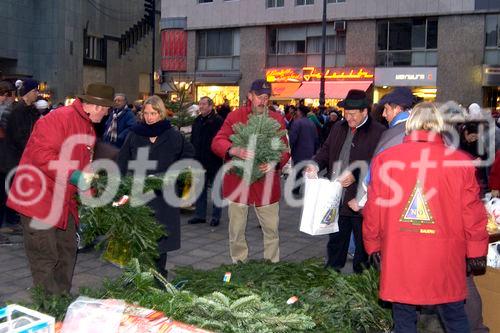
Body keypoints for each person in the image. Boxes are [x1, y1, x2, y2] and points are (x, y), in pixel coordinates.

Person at [363, 102, 489, 333]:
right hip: (445, 256)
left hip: (402, 253)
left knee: (403, 318)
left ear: (410, 124)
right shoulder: (460, 162)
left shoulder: (386, 160)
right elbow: (472, 213)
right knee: (454, 316)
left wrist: (373, 245)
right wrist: (476, 251)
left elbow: (374, 210)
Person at [6, 83, 115, 295]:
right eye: (106, 108)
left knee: (67, 252)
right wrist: (75, 176)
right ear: (94, 105)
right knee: (45, 257)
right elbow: (42, 155)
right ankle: (50, 309)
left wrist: (95, 198)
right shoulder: (59, 118)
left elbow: (84, 171)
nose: (108, 113)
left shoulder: (88, 128)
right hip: (39, 200)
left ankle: (61, 301)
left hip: (64, 201)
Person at [305, 89, 385, 273]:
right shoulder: (338, 128)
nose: (348, 118)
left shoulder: (379, 132)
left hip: (360, 198)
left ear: (365, 111)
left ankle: (361, 280)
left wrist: (356, 174)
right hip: (336, 197)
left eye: (352, 114)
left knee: (363, 244)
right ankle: (332, 275)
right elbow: (325, 150)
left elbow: (379, 163)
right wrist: (315, 165)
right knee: (336, 240)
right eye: (345, 113)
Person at [211, 79, 290, 263]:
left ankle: (271, 265)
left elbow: (284, 149)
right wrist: (233, 150)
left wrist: (274, 163)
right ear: (250, 96)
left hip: (266, 187)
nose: (263, 101)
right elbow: (217, 142)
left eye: (266, 97)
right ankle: (239, 264)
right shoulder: (235, 116)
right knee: (236, 231)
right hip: (238, 185)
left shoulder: (277, 119)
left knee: (271, 231)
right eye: (259, 96)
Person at [118, 95, 195, 276]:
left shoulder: (173, 135)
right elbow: (122, 162)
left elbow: (189, 154)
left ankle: (159, 276)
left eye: (153, 113)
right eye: (146, 113)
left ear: (161, 113)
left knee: (161, 239)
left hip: (164, 196)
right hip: (140, 194)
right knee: (139, 237)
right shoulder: (135, 134)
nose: (149, 117)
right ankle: (139, 276)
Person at [188, 96, 224, 226]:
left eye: (204, 104)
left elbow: (222, 140)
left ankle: (216, 216)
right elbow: (193, 140)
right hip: (199, 160)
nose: (201, 106)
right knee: (200, 189)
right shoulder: (197, 120)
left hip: (214, 160)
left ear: (210, 106)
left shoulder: (218, 121)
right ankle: (200, 215)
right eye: (200, 104)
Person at [288, 105, 318, 196]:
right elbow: (316, 137)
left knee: (298, 170)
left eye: (297, 111)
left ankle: (295, 189)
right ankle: (298, 188)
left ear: (300, 112)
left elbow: (292, 138)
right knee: (303, 170)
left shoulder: (297, 123)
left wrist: (290, 148)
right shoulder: (311, 123)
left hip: (299, 150)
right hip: (309, 150)